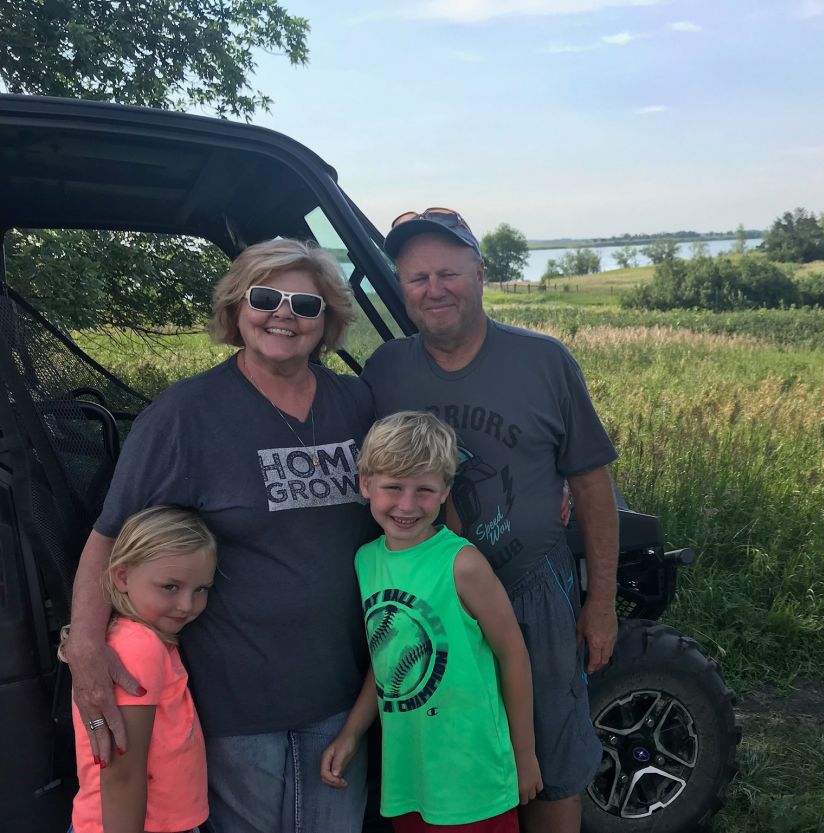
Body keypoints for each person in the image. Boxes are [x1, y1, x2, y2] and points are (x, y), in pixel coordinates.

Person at [65, 239, 375, 833]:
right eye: (265, 297)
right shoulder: (185, 415)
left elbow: (413, 490)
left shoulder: (356, 403)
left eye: (305, 305)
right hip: (235, 705)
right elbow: (110, 537)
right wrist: (84, 647)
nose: (283, 314)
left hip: (342, 694)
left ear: (328, 320)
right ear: (237, 308)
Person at [361, 208, 620, 833]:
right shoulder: (386, 371)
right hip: (428, 596)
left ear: (480, 273)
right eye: (417, 277)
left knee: (552, 757)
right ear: (401, 287)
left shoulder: (543, 361)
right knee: (453, 746)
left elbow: (590, 485)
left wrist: (601, 603)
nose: (433, 289)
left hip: (534, 586)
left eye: (448, 272)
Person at [320, 410, 543, 832]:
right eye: (393, 487)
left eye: (424, 490)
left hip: (472, 775)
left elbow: (513, 655)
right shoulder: (367, 561)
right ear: (366, 484)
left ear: (445, 492)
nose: (407, 505)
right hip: (410, 775)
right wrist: (351, 733)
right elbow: (385, 660)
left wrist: (525, 752)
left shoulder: (461, 564)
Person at [64, 505, 217, 833]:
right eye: (170, 587)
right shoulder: (138, 646)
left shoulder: (149, 639)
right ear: (122, 576)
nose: (187, 605)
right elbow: (123, 771)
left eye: (201, 589)